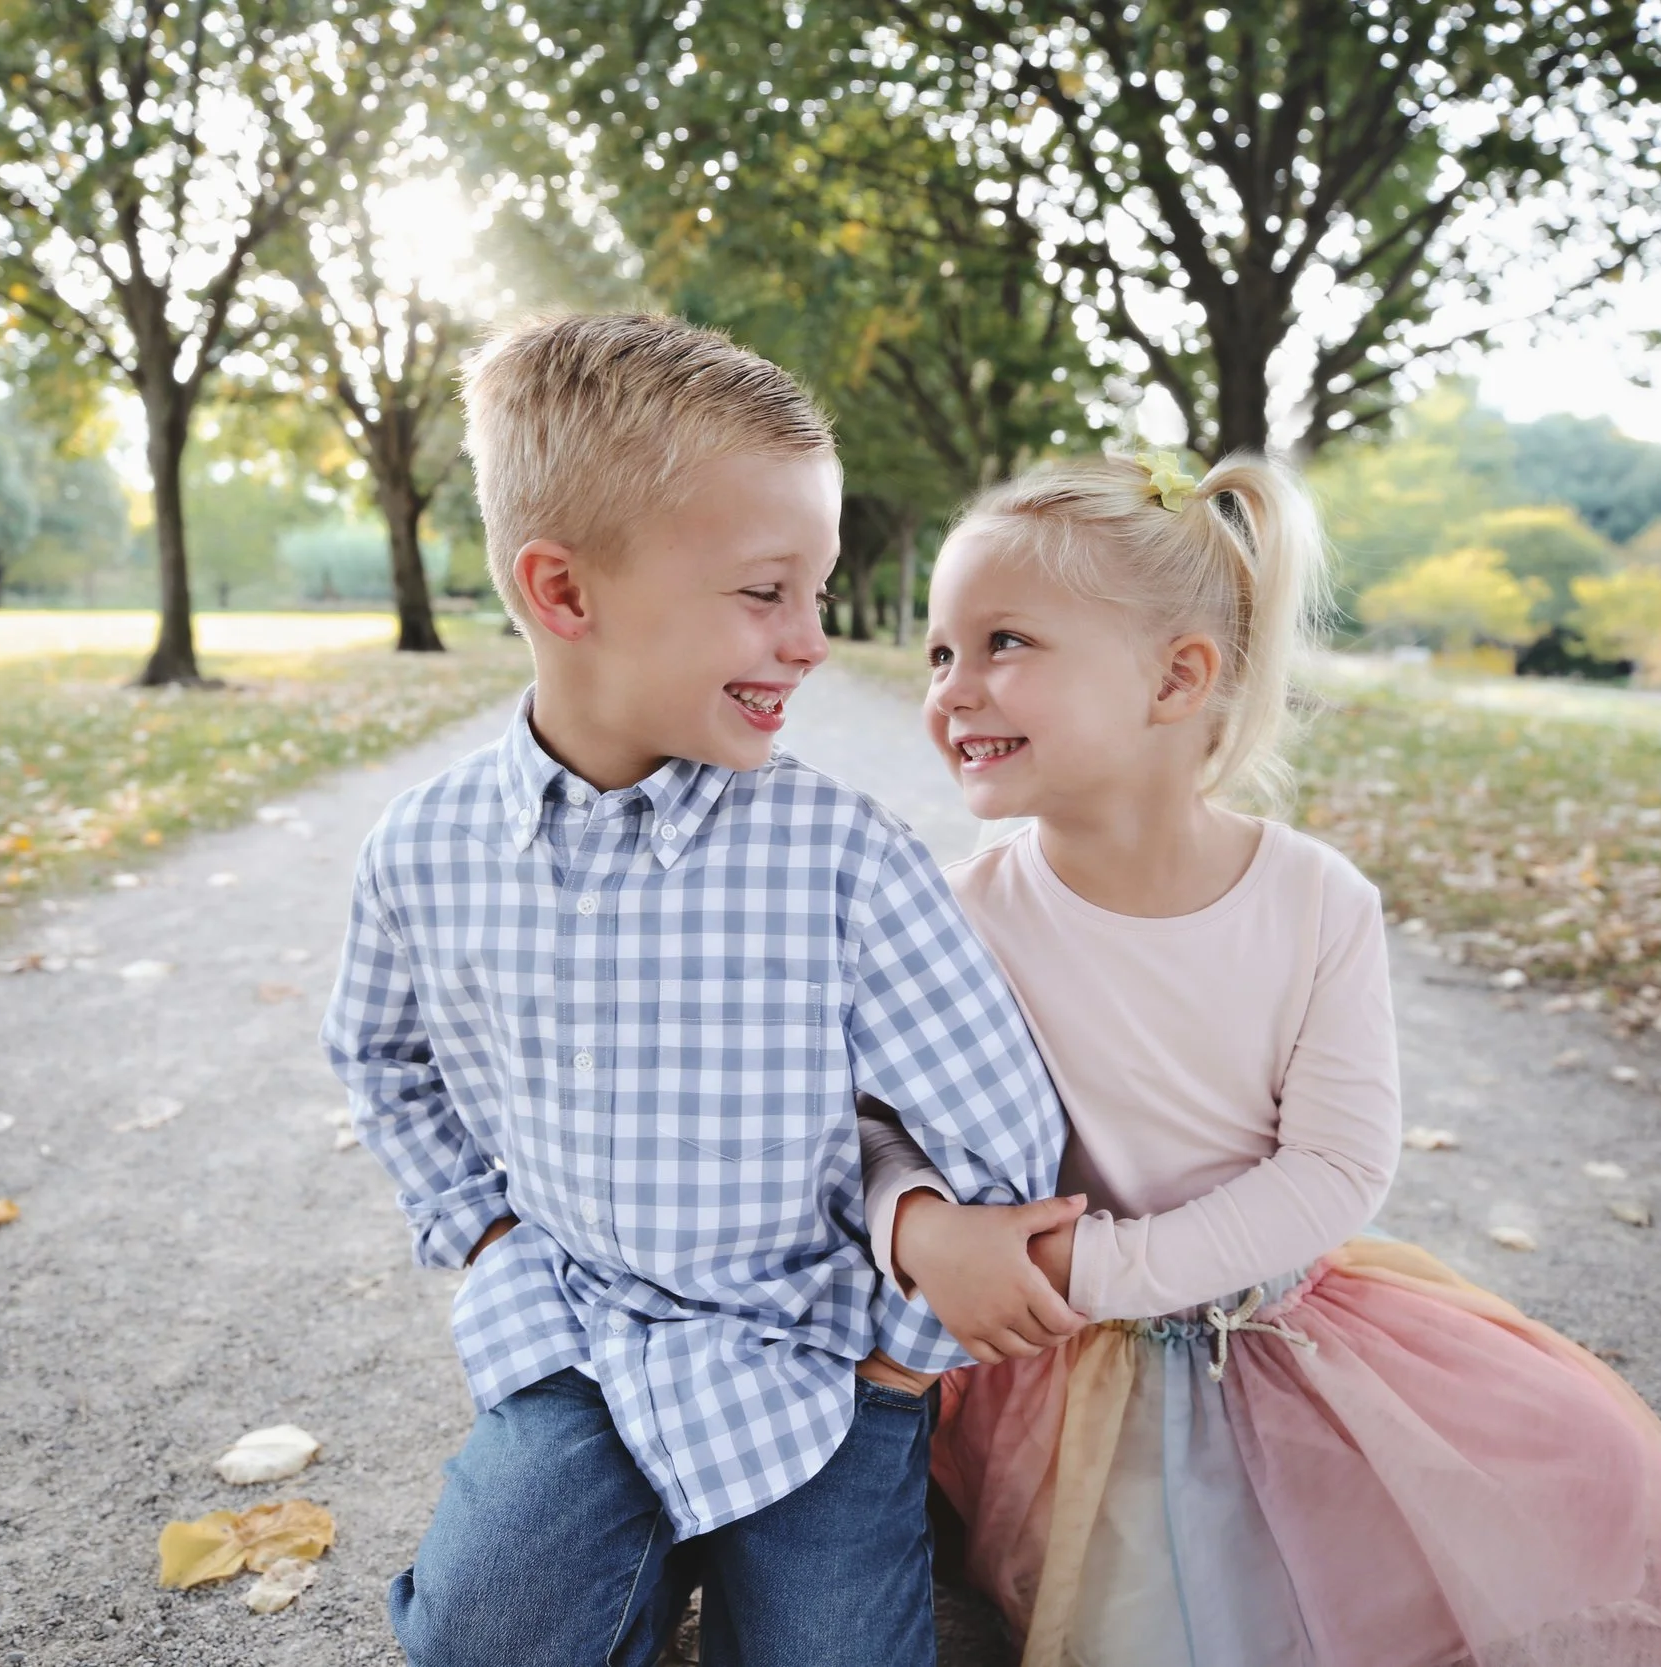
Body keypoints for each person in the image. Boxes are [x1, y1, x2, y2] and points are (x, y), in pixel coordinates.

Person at [860, 451, 1661, 1667]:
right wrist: (922, 1220)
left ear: (1179, 677)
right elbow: (870, 1117)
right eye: (937, 652)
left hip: (1263, 1311)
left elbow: (1336, 1164)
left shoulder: (1311, 898)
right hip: (1067, 1360)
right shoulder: (958, 914)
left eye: (1002, 641)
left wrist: (1117, 1261)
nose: (953, 688)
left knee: (1570, 1465)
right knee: (1162, 1618)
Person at [321, 313, 1080, 1667]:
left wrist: (901, 1359)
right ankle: (624, 1549)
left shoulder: (840, 856)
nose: (809, 641)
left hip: (816, 1354)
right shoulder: (426, 851)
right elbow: (379, 1054)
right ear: (564, 594)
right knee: (486, 1635)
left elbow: (997, 1135)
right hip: (579, 1330)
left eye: (820, 593)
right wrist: (484, 1239)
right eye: (763, 591)